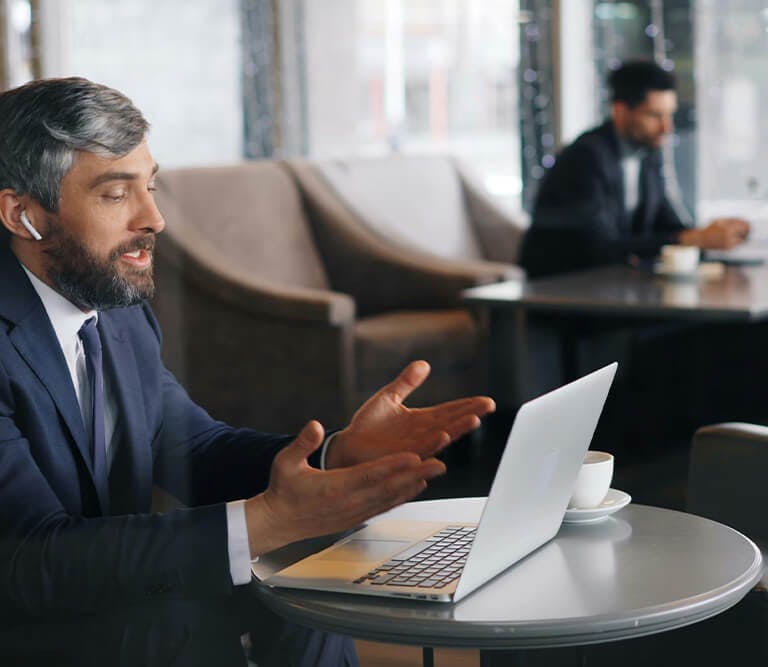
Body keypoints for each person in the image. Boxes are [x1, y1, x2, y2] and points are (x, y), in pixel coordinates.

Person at [0, 77, 495, 667]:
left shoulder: (114, 312)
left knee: (303, 581)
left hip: (101, 586)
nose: (154, 218)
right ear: (23, 214)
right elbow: (29, 561)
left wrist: (337, 455)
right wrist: (264, 521)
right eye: (115, 194)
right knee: (193, 614)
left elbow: (195, 448)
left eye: (151, 188)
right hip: (28, 623)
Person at [520, 59, 750, 278]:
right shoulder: (585, 158)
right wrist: (694, 239)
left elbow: (665, 223)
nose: (666, 127)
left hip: (608, 285)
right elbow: (600, 247)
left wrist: (710, 235)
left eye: (670, 114)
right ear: (620, 111)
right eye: (654, 115)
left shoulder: (646, 154)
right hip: (560, 290)